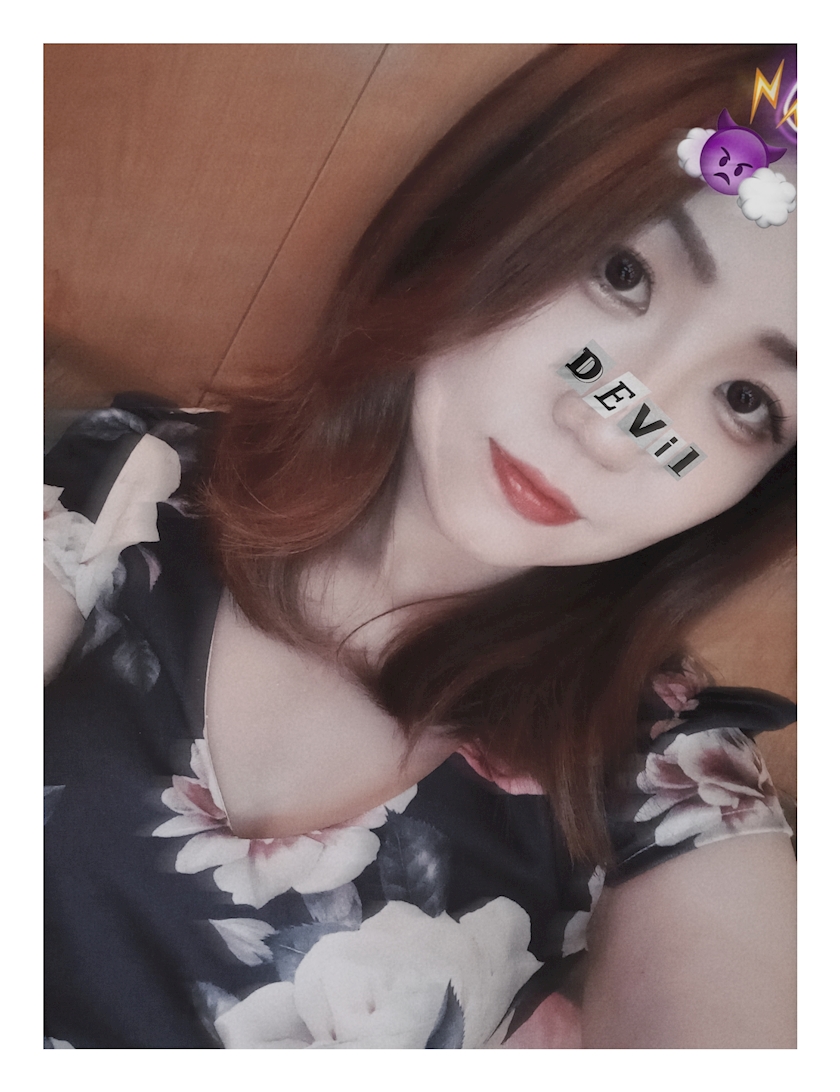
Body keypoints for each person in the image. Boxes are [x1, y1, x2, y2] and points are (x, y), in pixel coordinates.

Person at [44, 43, 797, 1049]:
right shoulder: (131, 484)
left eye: (745, 400)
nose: (612, 428)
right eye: (622, 274)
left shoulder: (667, 776)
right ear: (489, 213)